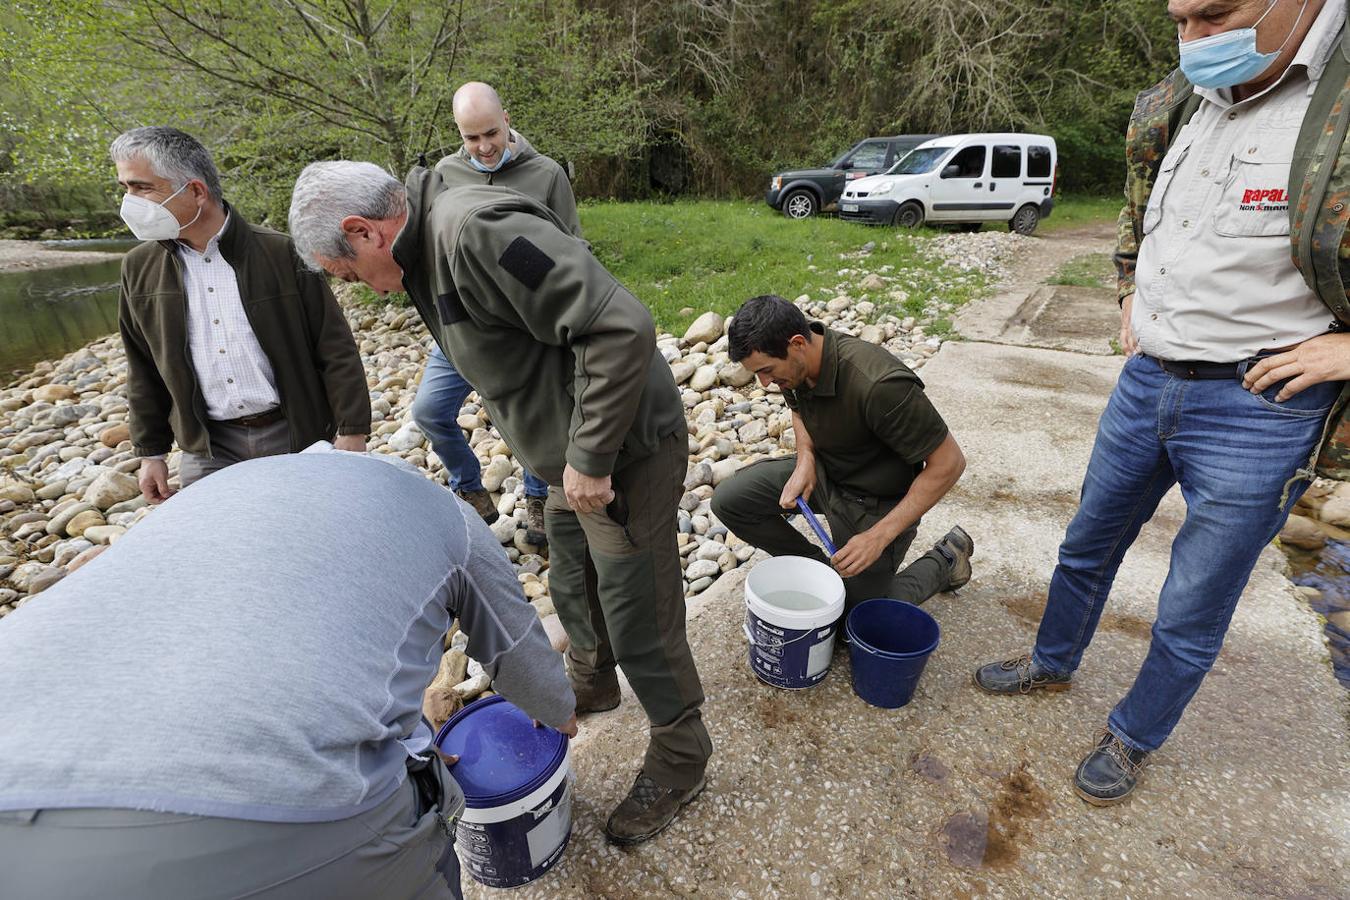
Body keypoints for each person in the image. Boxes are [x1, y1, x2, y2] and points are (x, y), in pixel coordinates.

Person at [975, 0, 1350, 806]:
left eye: (1215, 16)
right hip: (1149, 378)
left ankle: (1133, 736)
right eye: (1179, 20)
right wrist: (1128, 289)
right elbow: (1140, 208)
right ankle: (1051, 661)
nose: (1192, 42)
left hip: (1257, 403)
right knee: (1087, 541)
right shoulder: (1179, 97)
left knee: (1192, 601)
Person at [288, 161, 713, 845]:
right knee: (573, 583)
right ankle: (592, 682)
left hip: (622, 456)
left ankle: (682, 755)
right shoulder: (422, 252)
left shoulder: (472, 233)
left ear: (363, 232)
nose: (360, 291)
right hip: (568, 465)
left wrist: (591, 456)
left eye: (348, 274)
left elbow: (621, 327)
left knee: (641, 613)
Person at [0, 450, 577, 899]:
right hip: (261, 819)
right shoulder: (439, 511)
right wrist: (559, 713)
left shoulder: (215, 495)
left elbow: (245, 650)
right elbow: (518, 646)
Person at [111, 126, 370, 504]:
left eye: (142, 187)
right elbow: (143, 367)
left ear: (196, 192)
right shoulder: (138, 269)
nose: (130, 202)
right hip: (208, 450)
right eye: (126, 188)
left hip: (295, 435)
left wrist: (351, 430)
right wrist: (151, 451)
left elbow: (335, 348)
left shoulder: (283, 255)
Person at [711, 295, 974, 613]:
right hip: (827, 474)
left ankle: (947, 558)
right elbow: (798, 406)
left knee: (857, 620)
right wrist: (805, 459)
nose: (764, 383)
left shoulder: (879, 386)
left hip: (875, 501)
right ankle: (823, 573)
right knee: (730, 501)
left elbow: (949, 463)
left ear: (797, 343)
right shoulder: (795, 362)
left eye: (766, 371)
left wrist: (878, 537)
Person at [409, 81, 581, 540]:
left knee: (528, 419)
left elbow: (574, 251)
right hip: (460, 326)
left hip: (522, 331)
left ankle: (538, 495)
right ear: (458, 135)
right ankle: (470, 487)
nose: (484, 147)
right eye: (471, 138)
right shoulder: (443, 175)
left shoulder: (546, 174)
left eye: (490, 133)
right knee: (428, 411)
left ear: (506, 121)